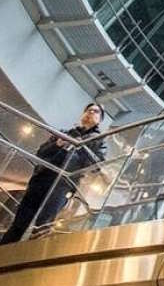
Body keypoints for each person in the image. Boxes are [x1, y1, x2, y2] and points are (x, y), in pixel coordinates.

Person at [1, 103, 107, 245]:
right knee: (20, 221)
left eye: (96, 112)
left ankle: (26, 258)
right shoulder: (65, 133)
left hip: (62, 185)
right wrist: (57, 144)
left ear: (100, 119)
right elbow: (41, 152)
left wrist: (81, 146)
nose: (91, 113)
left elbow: (96, 166)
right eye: (88, 110)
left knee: (43, 224)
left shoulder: (99, 142)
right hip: (42, 178)